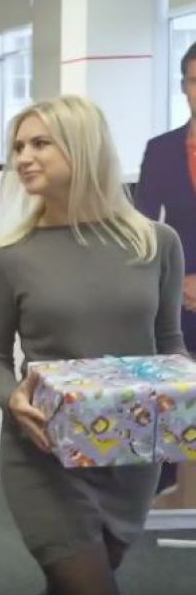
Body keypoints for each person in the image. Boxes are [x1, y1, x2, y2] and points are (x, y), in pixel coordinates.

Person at [0, 95, 185, 595]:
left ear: (83, 147)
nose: (24, 157)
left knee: (71, 593)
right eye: (18, 147)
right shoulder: (7, 258)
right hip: (46, 452)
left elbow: (168, 345)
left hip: (130, 451)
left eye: (40, 144)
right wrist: (12, 399)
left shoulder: (156, 244)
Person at [133, 41, 196, 495]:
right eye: (195, 81)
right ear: (183, 87)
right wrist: (179, 283)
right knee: (175, 404)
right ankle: (172, 492)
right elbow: (142, 229)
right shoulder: (161, 150)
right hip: (179, 299)